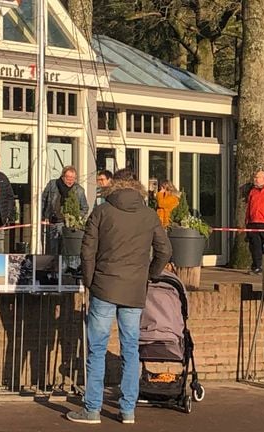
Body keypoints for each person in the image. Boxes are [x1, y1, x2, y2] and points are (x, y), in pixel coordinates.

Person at [68, 168, 172, 424]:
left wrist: (90, 281)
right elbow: (165, 250)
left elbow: (87, 251)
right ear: (136, 186)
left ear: (113, 185)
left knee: (97, 349)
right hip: (134, 289)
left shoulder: (102, 211)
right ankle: (127, 409)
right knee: (130, 349)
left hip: (104, 286)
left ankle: (92, 409)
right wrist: (150, 274)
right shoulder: (149, 215)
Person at [42, 166, 89, 254]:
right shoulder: (53, 185)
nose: (70, 181)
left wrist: (75, 219)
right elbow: (43, 200)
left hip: (68, 226)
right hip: (53, 222)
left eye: (73, 178)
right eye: (68, 178)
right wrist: (43, 216)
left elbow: (85, 207)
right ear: (63, 177)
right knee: (53, 251)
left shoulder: (79, 190)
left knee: (66, 250)